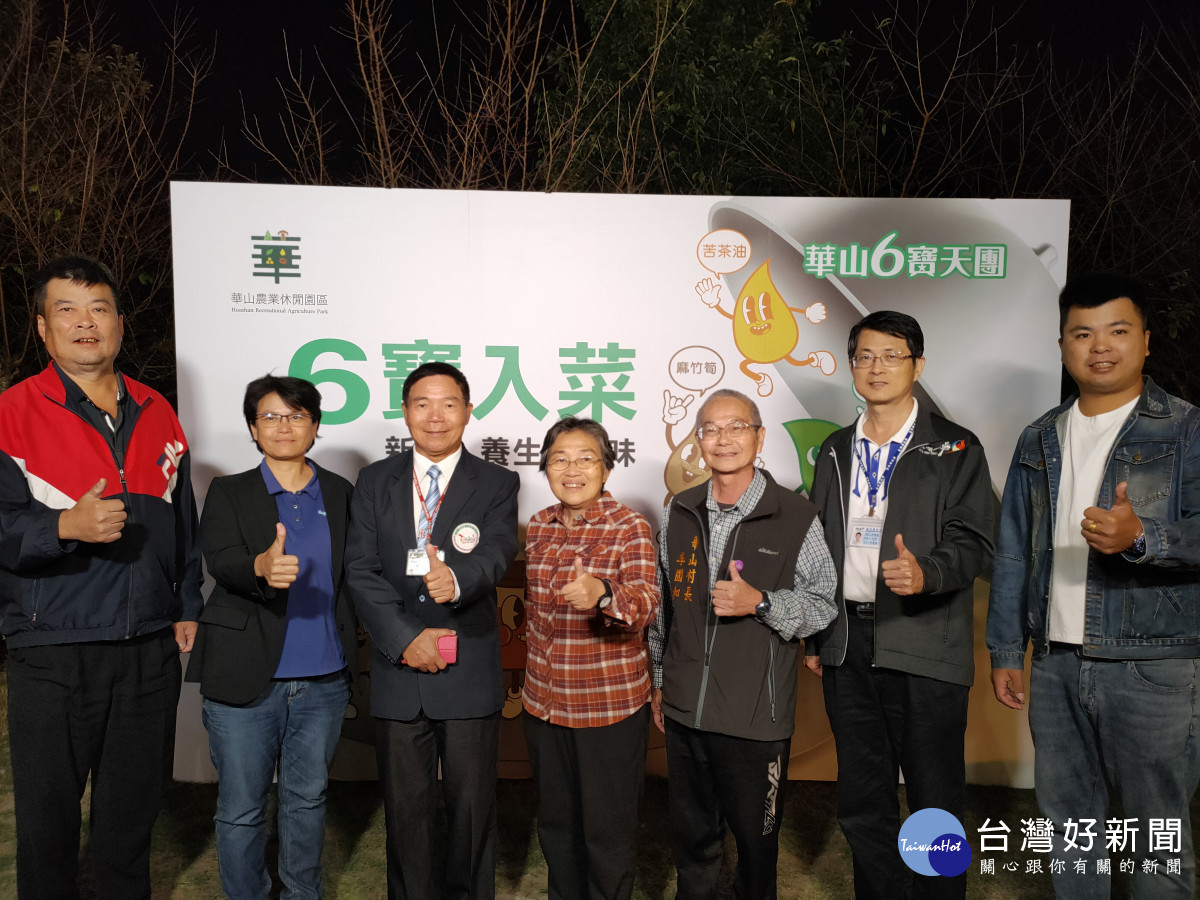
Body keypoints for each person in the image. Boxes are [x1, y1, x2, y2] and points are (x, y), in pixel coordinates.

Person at [987, 274, 1200, 899]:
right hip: (1055, 665)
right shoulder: (1039, 437)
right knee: (1070, 830)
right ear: (1062, 346)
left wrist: (1143, 537)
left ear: (1146, 341)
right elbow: (1012, 550)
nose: (1099, 346)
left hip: (1151, 664)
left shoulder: (1187, 430)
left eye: (1117, 330)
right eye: (1082, 333)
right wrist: (1006, 651)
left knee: (1156, 835)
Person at [0, 256, 203, 899]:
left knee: (130, 822)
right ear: (42, 327)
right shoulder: (11, 412)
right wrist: (63, 526)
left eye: (99, 309)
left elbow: (182, 521)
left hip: (148, 649)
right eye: (67, 309)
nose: (85, 323)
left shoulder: (157, 409)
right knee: (48, 825)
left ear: (119, 322)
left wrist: (186, 603)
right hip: (53, 649)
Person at [805, 311, 994, 900]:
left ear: (918, 365)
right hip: (847, 646)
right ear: (851, 366)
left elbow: (975, 541)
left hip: (924, 640)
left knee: (934, 802)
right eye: (865, 356)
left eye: (892, 355)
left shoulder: (955, 446)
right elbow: (817, 547)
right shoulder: (835, 449)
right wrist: (817, 634)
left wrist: (926, 571)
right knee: (864, 799)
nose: (877, 367)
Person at [649, 388, 838, 900]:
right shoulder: (680, 511)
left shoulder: (796, 516)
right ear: (699, 441)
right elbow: (664, 607)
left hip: (755, 717)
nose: (723, 438)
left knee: (756, 847)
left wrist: (761, 602)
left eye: (737, 427)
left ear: (759, 436)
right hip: (685, 709)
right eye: (711, 429)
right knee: (693, 843)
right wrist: (661, 680)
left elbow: (823, 603)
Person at [346, 361, 519, 900]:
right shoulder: (375, 481)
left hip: (467, 669)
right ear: (405, 412)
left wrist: (458, 579)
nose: (435, 416)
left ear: (468, 411)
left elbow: (499, 549)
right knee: (405, 815)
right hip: (400, 672)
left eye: (448, 404)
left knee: (471, 813)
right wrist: (404, 638)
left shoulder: (497, 481)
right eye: (422, 404)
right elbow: (360, 569)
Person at [186, 375, 355, 900]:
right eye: (271, 416)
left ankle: (303, 893)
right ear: (253, 429)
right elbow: (220, 559)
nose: (284, 426)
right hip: (244, 675)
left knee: (307, 800)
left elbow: (356, 573)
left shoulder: (341, 492)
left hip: (324, 679)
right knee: (241, 808)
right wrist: (259, 566)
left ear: (315, 425)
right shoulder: (230, 491)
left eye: (297, 415)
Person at [523, 416, 659, 900]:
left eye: (586, 459)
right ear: (545, 467)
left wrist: (603, 593)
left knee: (607, 833)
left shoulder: (629, 526)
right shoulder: (538, 525)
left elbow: (646, 603)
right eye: (559, 459)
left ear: (606, 469)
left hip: (607, 709)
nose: (572, 469)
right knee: (556, 827)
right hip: (544, 706)